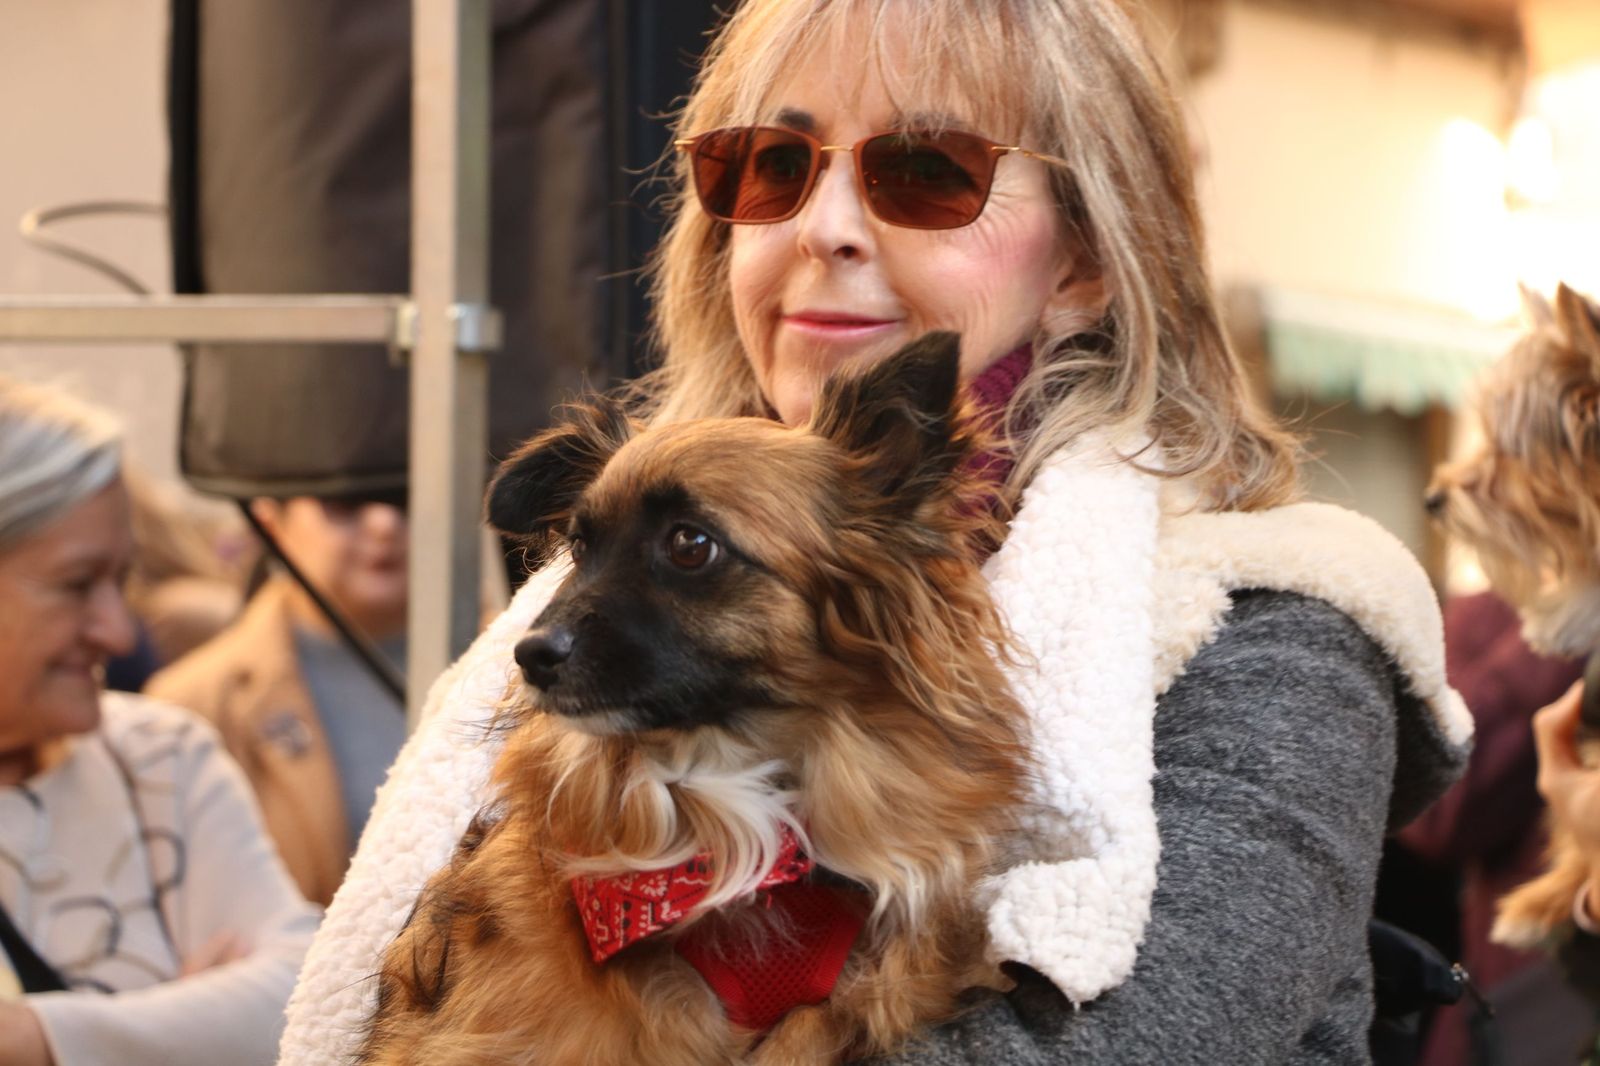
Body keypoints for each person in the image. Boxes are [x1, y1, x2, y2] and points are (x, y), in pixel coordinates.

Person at [279, 1, 1471, 1062]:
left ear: (1089, 260)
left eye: (921, 170)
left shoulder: (1275, 629)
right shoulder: (594, 601)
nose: (825, 227)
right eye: (770, 166)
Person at [0, 375, 318, 1066]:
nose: (118, 633)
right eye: (78, 585)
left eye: (123, 581)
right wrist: (184, 1028)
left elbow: (300, 995)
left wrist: (33, 1037)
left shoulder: (158, 754)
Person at [146, 494, 409, 906]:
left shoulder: (526, 669)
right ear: (271, 523)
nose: (384, 522)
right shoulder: (189, 707)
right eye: (344, 503)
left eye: (406, 494)